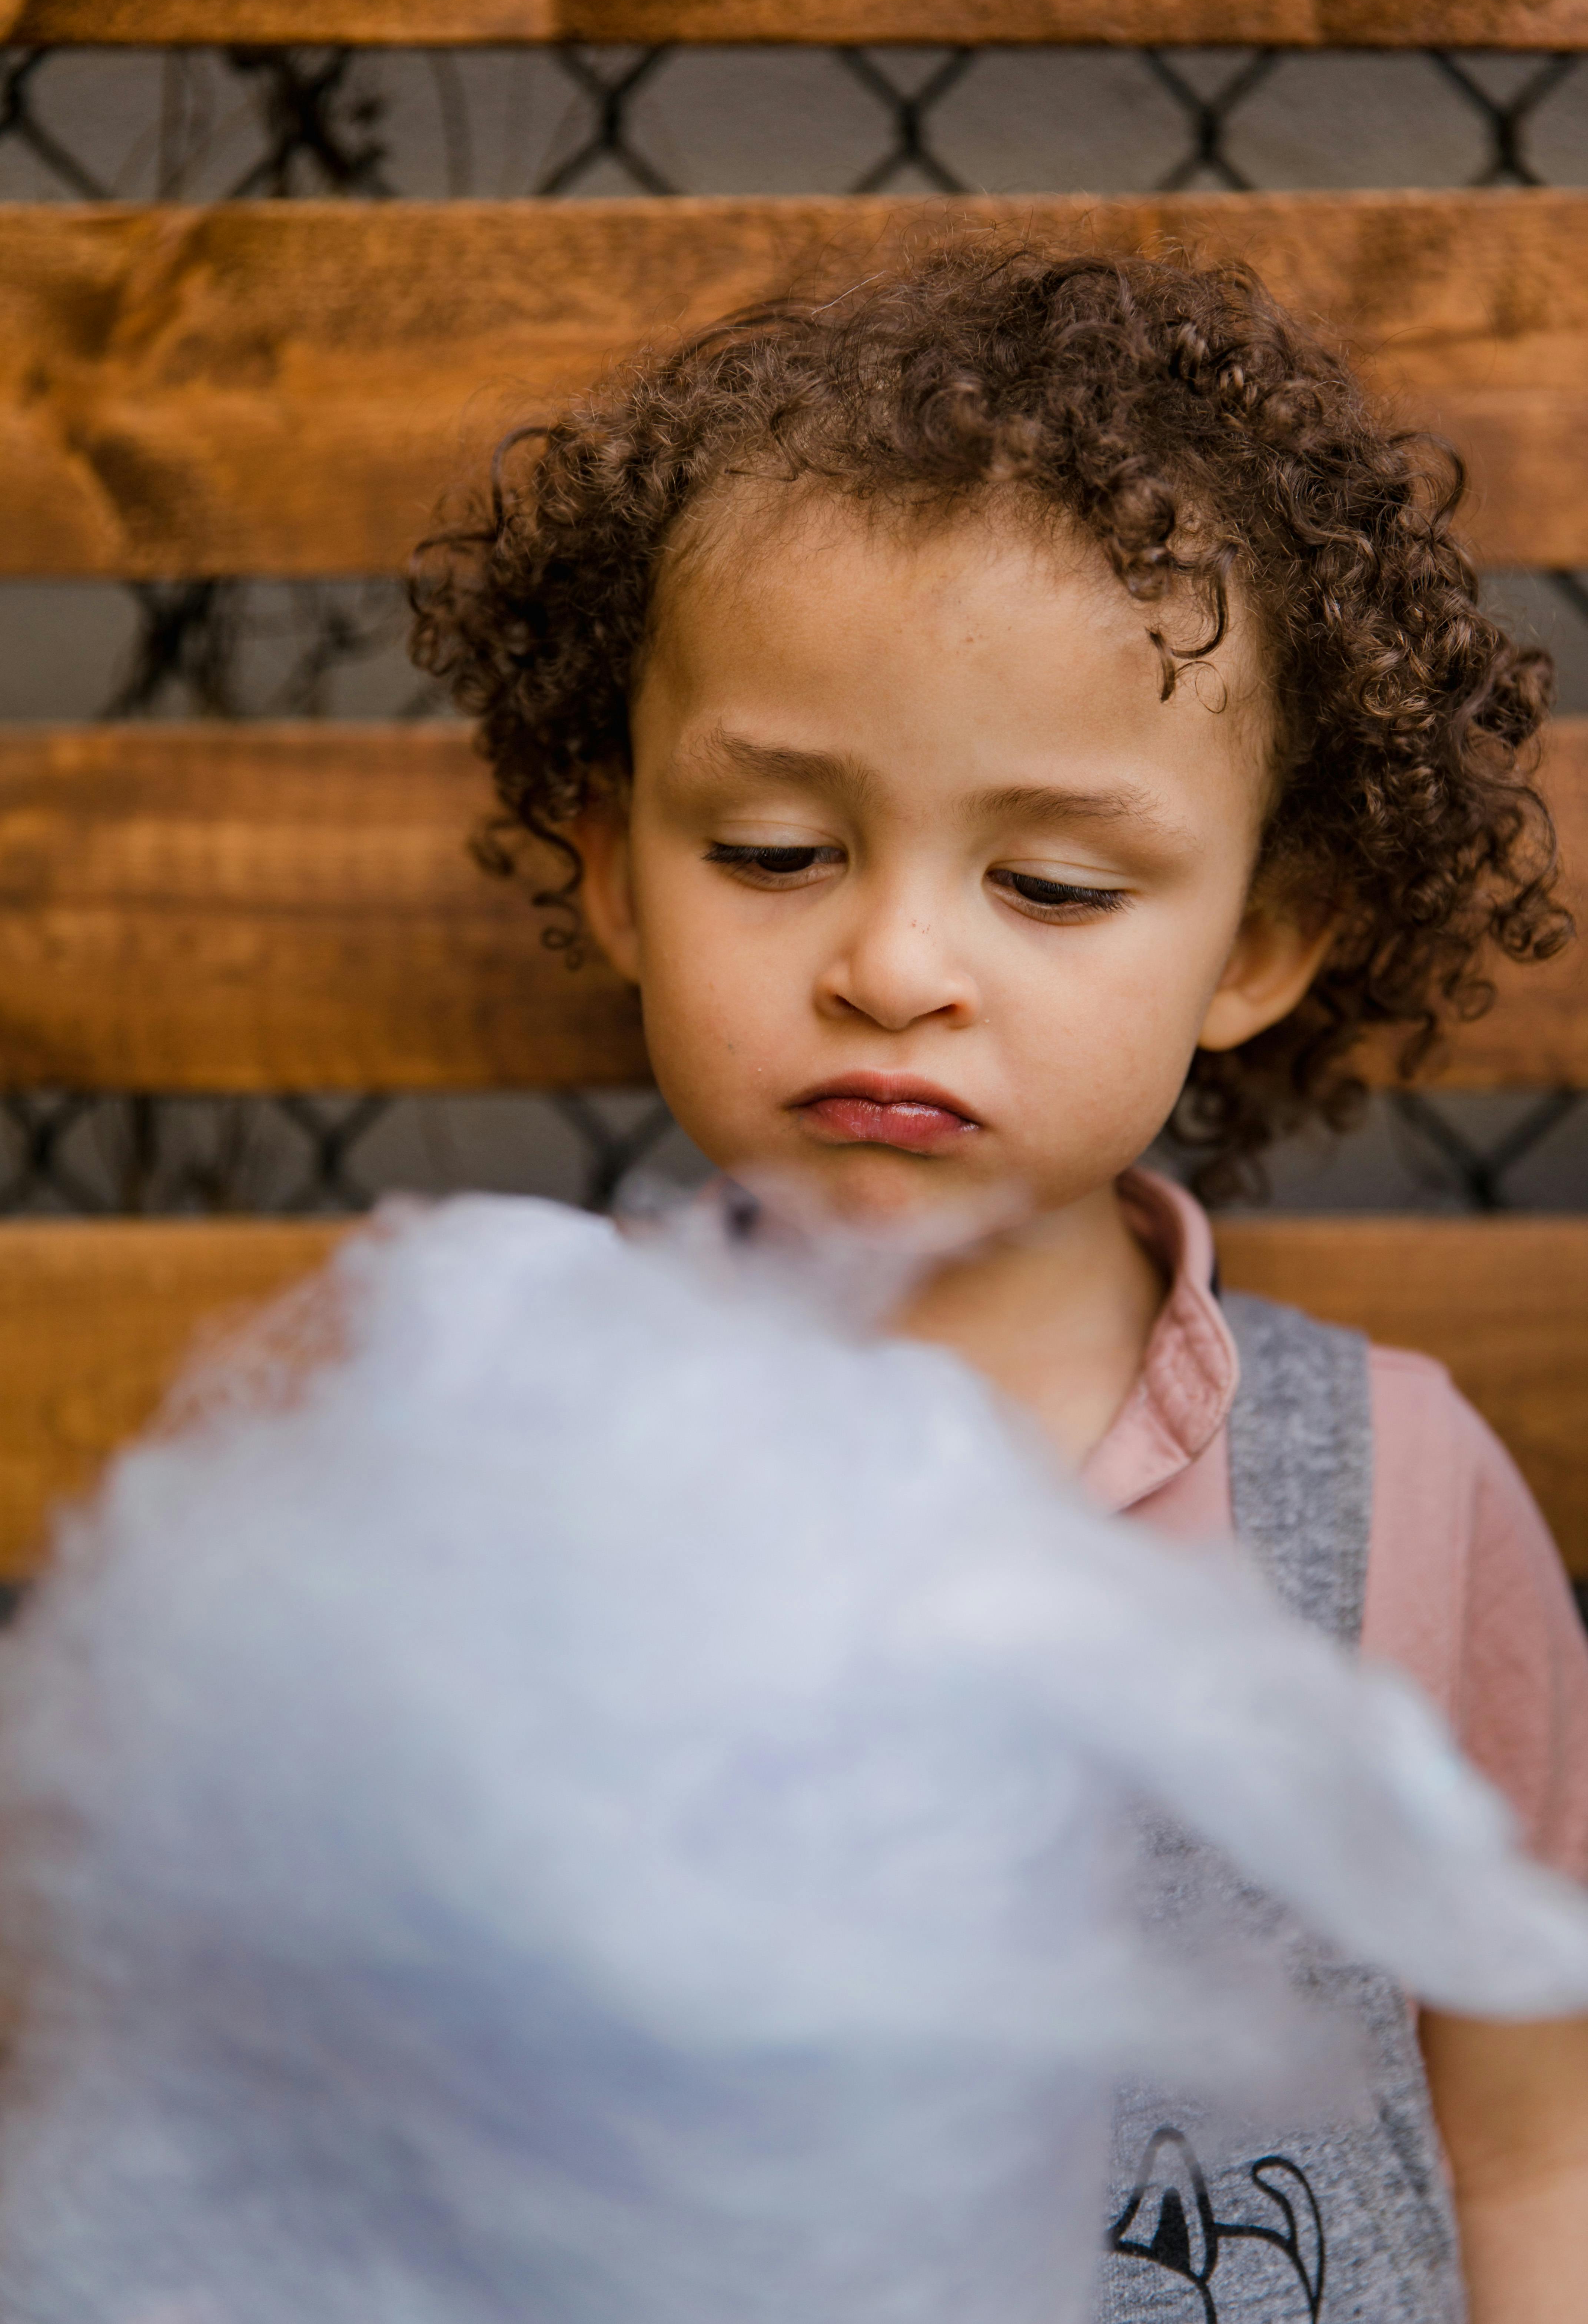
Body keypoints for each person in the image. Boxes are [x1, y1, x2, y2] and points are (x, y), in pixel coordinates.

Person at [412, 238, 1588, 2324]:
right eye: (774, 850)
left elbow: (1535, 2142)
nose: (894, 966)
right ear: (610, 868)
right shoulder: (487, 1456)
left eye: (1049, 884)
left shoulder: (1392, 1488)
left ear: (1256, 943)